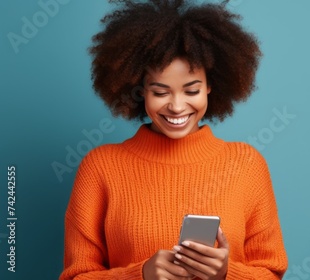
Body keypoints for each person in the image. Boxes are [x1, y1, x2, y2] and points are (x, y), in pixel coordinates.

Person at [59, 0, 288, 279]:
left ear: (210, 86)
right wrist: (140, 274)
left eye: (191, 91)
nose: (177, 107)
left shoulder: (247, 164)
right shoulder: (101, 166)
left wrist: (227, 274)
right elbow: (75, 276)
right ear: (140, 90)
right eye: (160, 92)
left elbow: (272, 272)